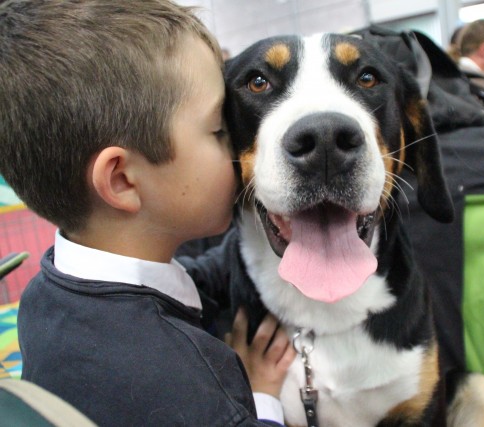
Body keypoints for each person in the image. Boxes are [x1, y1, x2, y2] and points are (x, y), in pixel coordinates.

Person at [0, 1, 295, 426]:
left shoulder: (46, 294)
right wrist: (261, 396)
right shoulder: (192, 384)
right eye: (217, 130)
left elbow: (193, 278)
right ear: (121, 180)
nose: (235, 146)